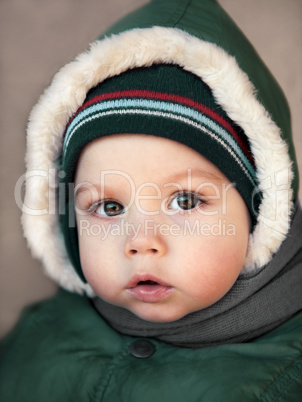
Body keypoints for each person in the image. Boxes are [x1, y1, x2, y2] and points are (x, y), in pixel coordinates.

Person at [1, 0, 302, 400]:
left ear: (261, 213)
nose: (141, 241)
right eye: (109, 207)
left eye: (186, 201)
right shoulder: (39, 336)